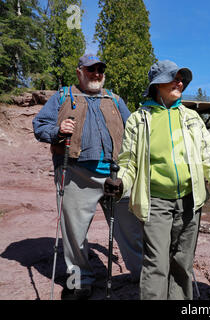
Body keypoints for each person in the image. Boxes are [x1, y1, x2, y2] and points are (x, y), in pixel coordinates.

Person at [104, 60, 210, 300]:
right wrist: (120, 182)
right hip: (155, 201)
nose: (179, 82)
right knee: (156, 263)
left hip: (190, 201)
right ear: (157, 84)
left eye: (181, 78)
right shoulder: (139, 119)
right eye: (173, 78)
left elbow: (207, 157)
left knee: (182, 263)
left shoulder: (192, 118)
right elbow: (128, 162)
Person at [33, 54, 143, 300]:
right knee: (75, 233)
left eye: (100, 70)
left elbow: (135, 131)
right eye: (91, 69)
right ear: (79, 72)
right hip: (75, 173)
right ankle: (79, 281)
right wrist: (57, 131)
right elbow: (40, 125)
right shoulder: (63, 97)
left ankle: (144, 275)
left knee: (131, 228)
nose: (96, 74)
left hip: (117, 175)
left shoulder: (114, 99)